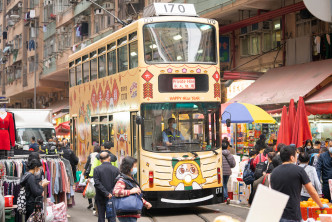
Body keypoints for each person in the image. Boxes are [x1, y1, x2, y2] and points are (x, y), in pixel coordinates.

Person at [271, 146, 327, 222]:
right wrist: (321, 205)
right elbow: (312, 191)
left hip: (277, 214)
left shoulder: (274, 172)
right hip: (293, 214)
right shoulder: (298, 170)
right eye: (296, 155)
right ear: (292, 158)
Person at [113, 156, 152, 222]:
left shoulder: (130, 179)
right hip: (126, 212)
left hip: (130, 212)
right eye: (134, 166)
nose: (136, 168)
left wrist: (145, 203)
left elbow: (135, 195)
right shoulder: (122, 180)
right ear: (128, 167)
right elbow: (116, 192)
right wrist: (130, 191)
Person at [94, 152, 120, 222]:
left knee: (101, 217)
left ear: (100, 160)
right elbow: (117, 183)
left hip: (100, 196)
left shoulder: (96, 169)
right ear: (109, 158)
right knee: (112, 217)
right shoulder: (116, 170)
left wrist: (106, 193)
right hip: (112, 196)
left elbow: (97, 183)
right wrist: (110, 193)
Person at [82, 145, 101, 209]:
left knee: (89, 187)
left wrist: (83, 173)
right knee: (96, 189)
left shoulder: (91, 155)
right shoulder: (101, 155)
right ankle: (95, 204)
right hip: (98, 174)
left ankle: (90, 202)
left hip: (90, 173)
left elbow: (87, 165)